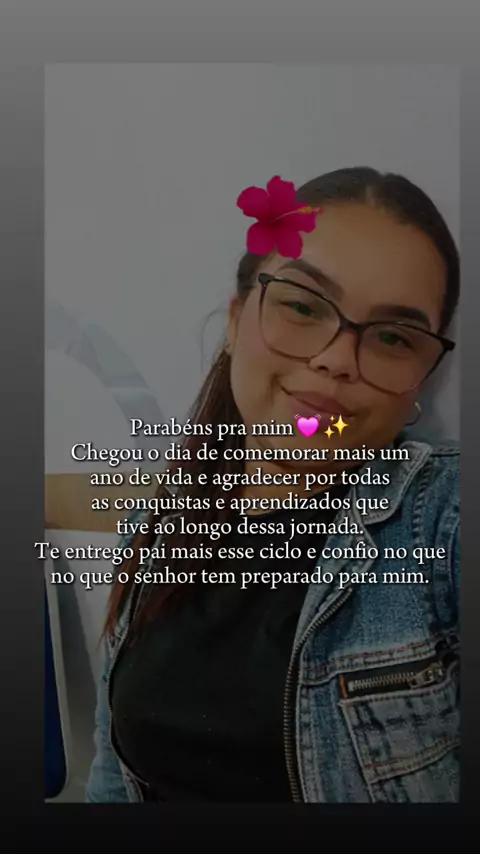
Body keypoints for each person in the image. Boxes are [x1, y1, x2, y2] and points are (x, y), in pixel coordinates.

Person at [85, 167, 460, 803]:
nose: (336, 359)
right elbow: (110, 780)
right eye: (303, 306)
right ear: (236, 321)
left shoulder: (442, 520)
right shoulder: (156, 522)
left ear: (420, 380)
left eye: (394, 337)